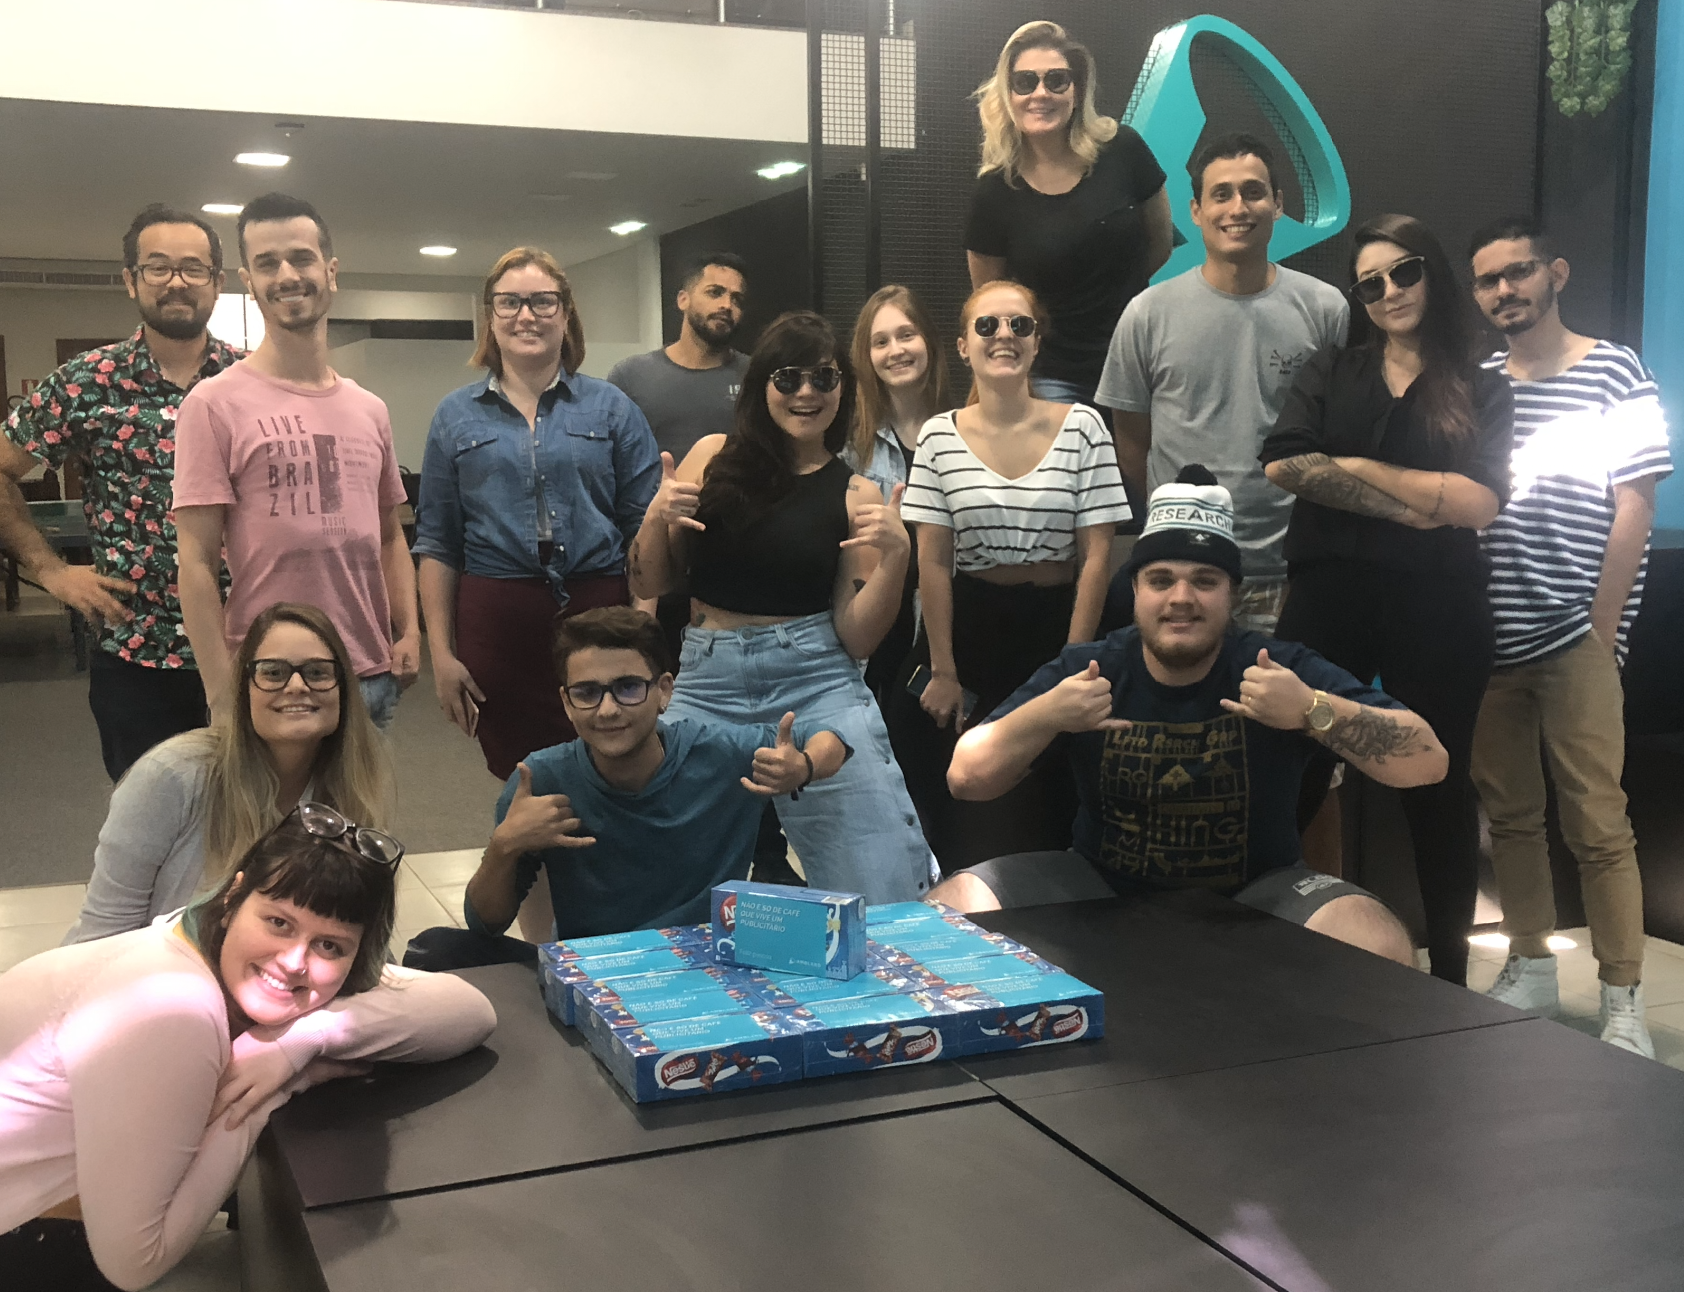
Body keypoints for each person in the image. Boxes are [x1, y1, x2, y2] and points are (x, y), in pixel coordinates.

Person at [930, 468, 1440, 969]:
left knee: (1377, 939)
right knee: (946, 911)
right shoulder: (1090, 668)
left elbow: (1428, 761)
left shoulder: (1277, 667)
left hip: (1258, 890)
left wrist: (1311, 710)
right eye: (1161, 580)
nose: (1181, 598)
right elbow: (965, 777)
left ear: (1231, 593)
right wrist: (1048, 714)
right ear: (1135, 591)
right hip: (1099, 884)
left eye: (1204, 581)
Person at [0, 808, 496, 1291]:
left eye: (330, 946)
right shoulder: (174, 1006)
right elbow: (135, 1263)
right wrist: (276, 1091)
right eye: (279, 923)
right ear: (234, 897)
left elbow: (470, 1010)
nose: (294, 962)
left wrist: (299, 1041)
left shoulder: (203, 935)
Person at [1259, 213, 1515, 986]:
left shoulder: (1482, 385)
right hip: (1328, 594)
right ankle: (1248, 951)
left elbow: (1480, 504)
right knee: (1290, 769)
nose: (1390, 292)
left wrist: (1353, 468)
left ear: (1432, 272)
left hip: (1440, 606)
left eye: (1405, 272)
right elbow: (1284, 465)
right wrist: (1415, 503)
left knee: (1439, 787)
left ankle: (1451, 979)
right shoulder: (1331, 368)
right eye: (1370, 284)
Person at [627, 310, 935, 903]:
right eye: (788, 377)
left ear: (843, 389)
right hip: (708, 681)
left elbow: (857, 637)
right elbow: (652, 577)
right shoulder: (711, 456)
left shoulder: (856, 492)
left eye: (824, 378)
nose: (805, 393)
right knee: (663, 870)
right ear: (762, 385)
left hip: (817, 680)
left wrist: (898, 558)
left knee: (881, 876)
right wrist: (655, 515)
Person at [1466, 216, 1673, 1056]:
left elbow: (1637, 503)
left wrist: (1601, 629)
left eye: (1517, 272)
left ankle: (1623, 998)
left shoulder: (1615, 370)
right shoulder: (1479, 382)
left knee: (1598, 821)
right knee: (1510, 817)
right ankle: (1532, 966)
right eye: (1488, 280)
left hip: (1574, 636)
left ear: (1555, 272)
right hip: (1489, 639)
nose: (1504, 290)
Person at [402, 607, 853, 970]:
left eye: (628, 688)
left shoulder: (717, 753)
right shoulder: (540, 780)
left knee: (834, 941)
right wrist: (505, 847)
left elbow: (831, 735)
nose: (607, 710)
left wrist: (805, 766)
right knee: (437, 950)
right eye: (587, 693)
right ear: (566, 702)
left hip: (708, 966)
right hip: (594, 973)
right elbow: (484, 924)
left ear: (664, 691)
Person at [0, 204, 243, 780]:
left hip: (251, 648)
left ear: (217, 282)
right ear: (131, 280)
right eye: (158, 267)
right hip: (138, 654)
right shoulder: (85, 382)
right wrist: (52, 571)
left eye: (193, 268)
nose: (177, 281)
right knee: (151, 818)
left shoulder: (253, 380)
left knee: (261, 816)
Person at [896, 280, 1129, 872]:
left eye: (1019, 325)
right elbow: (933, 562)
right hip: (971, 626)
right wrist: (943, 670)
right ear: (963, 346)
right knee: (967, 794)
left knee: (1058, 788)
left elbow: (1096, 556)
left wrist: (1074, 663)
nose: (1004, 335)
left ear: (1036, 341)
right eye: (988, 325)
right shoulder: (938, 435)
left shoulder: (1084, 426)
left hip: (1062, 621)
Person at [172, 192, 419, 732]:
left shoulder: (370, 409)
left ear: (330, 271)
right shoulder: (213, 405)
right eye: (267, 263)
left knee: (365, 796)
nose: (287, 275)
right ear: (249, 281)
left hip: (369, 675)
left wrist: (409, 631)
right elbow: (195, 562)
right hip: (273, 680)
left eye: (301, 258)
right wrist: (221, 694)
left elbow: (389, 536)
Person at [414, 247, 660, 781]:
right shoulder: (455, 415)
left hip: (600, 607)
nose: (526, 315)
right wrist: (442, 655)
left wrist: (644, 624)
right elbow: (437, 542)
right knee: (520, 769)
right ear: (490, 316)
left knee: (610, 758)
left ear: (565, 313)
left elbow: (644, 528)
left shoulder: (612, 407)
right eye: (510, 302)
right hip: (497, 617)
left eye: (542, 301)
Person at [1097, 133, 1348, 633]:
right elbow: (1132, 441)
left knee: (1280, 689)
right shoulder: (1147, 314)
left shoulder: (1325, 310)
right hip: (1182, 575)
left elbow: (1338, 437)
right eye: (1221, 194)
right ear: (1195, 211)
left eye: (1253, 192)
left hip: (1289, 572)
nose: (1238, 208)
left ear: (1278, 204)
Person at [63, 601, 393, 944]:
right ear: (243, 690)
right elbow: (104, 936)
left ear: (344, 690)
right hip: (144, 969)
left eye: (318, 672)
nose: (297, 685)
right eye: (273, 673)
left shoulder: (355, 786)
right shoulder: (171, 776)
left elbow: (357, 937)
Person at [965, 20, 1173, 407]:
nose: (1040, 93)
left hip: (1137, 357)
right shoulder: (994, 191)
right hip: (1052, 374)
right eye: (1025, 82)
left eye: (1056, 80)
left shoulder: (1124, 150)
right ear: (1009, 95)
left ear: (1076, 91)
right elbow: (990, 298)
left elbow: (1160, 243)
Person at [843, 284, 953, 701]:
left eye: (907, 335)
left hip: (943, 638)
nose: (896, 350)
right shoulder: (850, 445)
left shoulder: (964, 433)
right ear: (866, 356)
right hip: (870, 637)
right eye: (881, 342)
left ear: (929, 342)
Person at [606, 252, 750, 462]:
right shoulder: (630, 376)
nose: (727, 305)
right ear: (683, 300)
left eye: (736, 299)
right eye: (715, 292)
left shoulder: (755, 376)